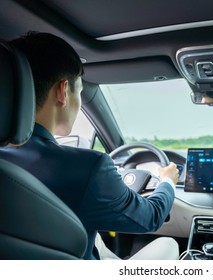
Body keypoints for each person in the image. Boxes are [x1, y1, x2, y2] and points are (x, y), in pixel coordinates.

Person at [0, 32, 179, 260]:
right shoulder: (89, 167)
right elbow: (150, 217)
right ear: (63, 91)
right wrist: (167, 182)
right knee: (169, 244)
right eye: (80, 91)